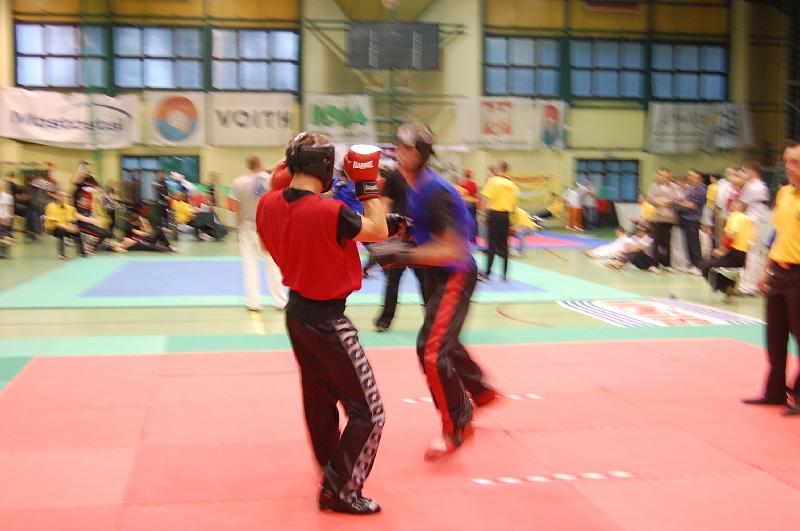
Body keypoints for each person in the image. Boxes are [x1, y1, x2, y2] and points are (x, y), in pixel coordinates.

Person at [256, 134, 389, 514]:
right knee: (370, 411)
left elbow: (288, 227)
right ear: (325, 167)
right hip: (328, 320)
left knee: (319, 401)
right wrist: (367, 184)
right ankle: (342, 489)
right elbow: (378, 231)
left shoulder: (267, 204)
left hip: (296, 314)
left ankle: (330, 470)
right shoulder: (330, 213)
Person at [369, 122, 497, 461]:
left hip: (453, 274)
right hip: (433, 274)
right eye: (398, 146)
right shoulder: (411, 185)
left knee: (430, 350)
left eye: (407, 148)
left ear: (421, 153)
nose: (400, 152)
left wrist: (404, 255)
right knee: (443, 342)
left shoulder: (435, 191)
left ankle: (457, 425)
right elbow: (411, 229)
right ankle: (480, 391)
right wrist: (401, 239)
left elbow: (454, 250)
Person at [743, 142, 800, 415]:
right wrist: (766, 270)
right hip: (779, 271)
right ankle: (775, 391)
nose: (790, 167)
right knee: (775, 337)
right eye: (787, 161)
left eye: (796, 162)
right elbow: (777, 234)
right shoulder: (785, 193)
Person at [231, 155, 287, 312]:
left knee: (250, 264)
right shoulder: (271, 180)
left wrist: (238, 229)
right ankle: (280, 301)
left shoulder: (238, 182)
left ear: (248, 165)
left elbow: (236, 208)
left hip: (246, 227)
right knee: (273, 264)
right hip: (267, 227)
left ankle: (253, 303)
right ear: (260, 163)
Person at [373, 165, 425, 332]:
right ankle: (385, 320)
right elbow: (385, 205)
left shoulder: (424, 177)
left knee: (425, 281)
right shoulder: (394, 176)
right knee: (393, 280)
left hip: (418, 237)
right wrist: (383, 233)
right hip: (399, 236)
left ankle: (433, 320)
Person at [701, 200, 753, 300]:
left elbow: (731, 235)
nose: (730, 207)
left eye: (733, 205)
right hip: (743, 256)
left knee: (704, 266)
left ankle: (727, 286)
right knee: (710, 263)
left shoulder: (736, 216)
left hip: (734, 254)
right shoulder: (748, 220)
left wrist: (722, 251)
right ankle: (729, 285)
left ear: (739, 207)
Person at [480, 161, 519, 281]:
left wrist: (483, 214)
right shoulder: (512, 185)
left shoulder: (493, 181)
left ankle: (487, 273)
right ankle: (504, 274)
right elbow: (513, 206)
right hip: (505, 216)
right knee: (504, 245)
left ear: (499, 168)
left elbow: (485, 199)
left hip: (494, 214)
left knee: (491, 244)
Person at [738, 161, 771, 295]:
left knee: (750, 255)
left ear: (752, 171)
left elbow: (741, 206)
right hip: (761, 222)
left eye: (744, 171)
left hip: (752, 223)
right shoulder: (763, 185)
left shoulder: (751, 186)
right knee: (757, 255)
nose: (743, 174)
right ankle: (756, 285)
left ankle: (747, 287)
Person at [676, 169, 707, 275]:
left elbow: (691, 205)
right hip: (685, 218)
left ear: (699, 178)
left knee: (694, 243)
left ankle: (699, 266)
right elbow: (682, 201)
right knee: (688, 243)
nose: (690, 178)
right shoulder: (690, 188)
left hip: (693, 220)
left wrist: (681, 203)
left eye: (693, 176)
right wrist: (682, 203)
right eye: (689, 175)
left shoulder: (701, 189)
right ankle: (692, 264)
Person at [647, 168, 679, 272]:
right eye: (661, 175)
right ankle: (654, 265)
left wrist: (664, 201)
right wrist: (658, 201)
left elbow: (675, 199)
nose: (663, 177)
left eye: (666, 176)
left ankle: (668, 264)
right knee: (656, 241)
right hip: (657, 218)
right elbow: (650, 198)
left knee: (667, 242)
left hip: (669, 218)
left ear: (669, 177)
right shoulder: (653, 186)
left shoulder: (674, 187)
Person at [44, 190, 85, 259]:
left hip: (65, 227)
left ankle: (81, 252)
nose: (63, 198)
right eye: (60, 196)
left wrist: (73, 228)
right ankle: (61, 254)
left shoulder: (67, 207)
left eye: (64, 196)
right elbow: (56, 223)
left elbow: (69, 220)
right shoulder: (50, 206)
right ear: (56, 196)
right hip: (53, 228)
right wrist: (70, 229)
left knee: (77, 232)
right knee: (61, 230)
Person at [458, 169, 479, 242]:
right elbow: (476, 194)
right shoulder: (474, 184)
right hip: (473, 203)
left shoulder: (461, 183)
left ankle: (464, 238)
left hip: (465, 203)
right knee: (473, 220)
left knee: (464, 220)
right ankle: (473, 238)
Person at [0, 180, 13, 258]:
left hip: (4, 219)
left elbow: (8, 209)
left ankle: (4, 252)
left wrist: (7, 219)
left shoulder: (7, 197)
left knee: (3, 236)